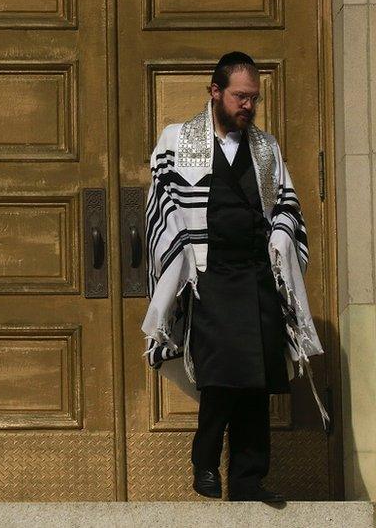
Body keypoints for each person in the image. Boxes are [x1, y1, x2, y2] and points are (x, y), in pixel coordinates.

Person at [140, 51, 328, 502]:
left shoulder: (266, 148)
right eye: (241, 96)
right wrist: (181, 250)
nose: (248, 105)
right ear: (216, 92)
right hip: (209, 276)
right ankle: (204, 462)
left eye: (254, 98)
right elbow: (161, 204)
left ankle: (248, 479)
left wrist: (282, 235)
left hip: (256, 277)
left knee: (257, 382)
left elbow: (286, 204)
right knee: (222, 376)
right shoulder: (175, 140)